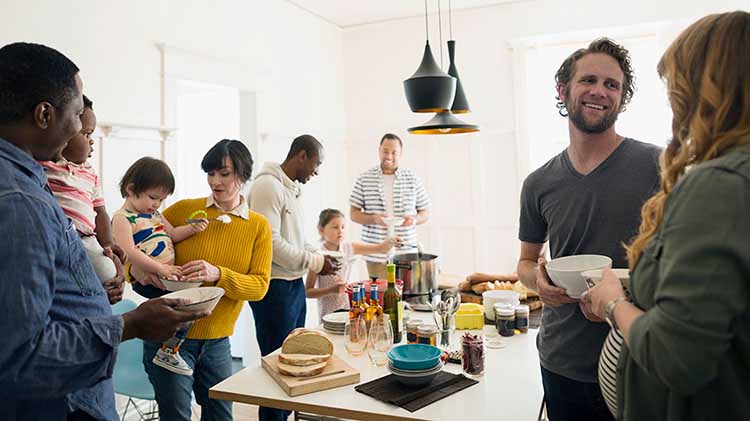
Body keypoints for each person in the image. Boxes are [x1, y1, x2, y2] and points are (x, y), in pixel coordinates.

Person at [0, 41, 208, 421]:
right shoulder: (19, 201)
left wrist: (89, 286)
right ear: (44, 114)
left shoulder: (28, 180)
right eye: (78, 115)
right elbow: (20, 358)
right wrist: (129, 325)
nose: (81, 129)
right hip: (62, 405)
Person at [581, 12, 750, 421]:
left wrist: (612, 303)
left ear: (707, 85)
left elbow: (677, 357)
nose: (674, 96)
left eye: (676, 82)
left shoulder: (720, 185)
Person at [516, 38, 661, 421]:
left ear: (622, 98)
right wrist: (539, 283)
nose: (599, 91)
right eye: (589, 80)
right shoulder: (538, 182)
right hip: (561, 360)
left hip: (637, 358)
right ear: (564, 90)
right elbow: (526, 262)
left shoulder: (659, 165)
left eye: (612, 85)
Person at [140, 139, 273, 420]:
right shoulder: (182, 211)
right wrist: (145, 272)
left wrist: (218, 274)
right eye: (210, 173)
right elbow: (140, 247)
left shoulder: (258, 226)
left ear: (243, 174)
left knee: (220, 417)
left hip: (217, 343)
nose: (215, 181)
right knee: (175, 417)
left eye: (224, 174)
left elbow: (260, 287)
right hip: (169, 337)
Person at [248, 134, 338, 421]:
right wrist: (315, 261)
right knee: (279, 370)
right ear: (302, 155)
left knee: (294, 366)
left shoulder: (291, 190)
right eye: (316, 163)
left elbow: (296, 241)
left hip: (292, 285)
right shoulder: (267, 186)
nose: (316, 171)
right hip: (274, 288)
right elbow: (270, 243)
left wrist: (321, 255)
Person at [112, 157, 208, 376]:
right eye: (153, 197)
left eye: (161, 200)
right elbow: (130, 251)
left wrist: (192, 229)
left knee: (192, 302)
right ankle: (168, 351)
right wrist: (160, 268)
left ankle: (169, 349)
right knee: (188, 304)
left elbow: (173, 234)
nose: (156, 204)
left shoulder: (154, 214)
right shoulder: (122, 218)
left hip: (165, 275)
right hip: (150, 277)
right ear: (131, 189)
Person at [38, 94, 124, 305]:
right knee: (99, 276)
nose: (92, 140)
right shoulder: (44, 166)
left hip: (88, 238)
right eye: (86, 134)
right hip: (63, 238)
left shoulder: (90, 173)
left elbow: (100, 212)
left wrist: (109, 243)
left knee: (108, 271)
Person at [349, 133, 430, 278]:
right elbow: (353, 214)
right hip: (375, 253)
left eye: (394, 153)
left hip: (406, 252)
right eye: (385, 151)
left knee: (406, 296)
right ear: (379, 150)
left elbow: (425, 213)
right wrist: (374, 219)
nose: (389, 156)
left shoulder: (412, 178)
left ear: (401, 154)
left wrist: (414, 220)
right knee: (380, 296)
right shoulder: (364, 178)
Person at [305, 208, 399, 320]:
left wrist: (392, 239)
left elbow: (381, 248)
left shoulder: (348, 248)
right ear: (321, 229)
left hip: (350, 307)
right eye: (335, 227)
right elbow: (307, 292)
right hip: (328, 314)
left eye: (343, 227)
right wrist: (331, 290)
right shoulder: (317, 256)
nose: (340, 231)